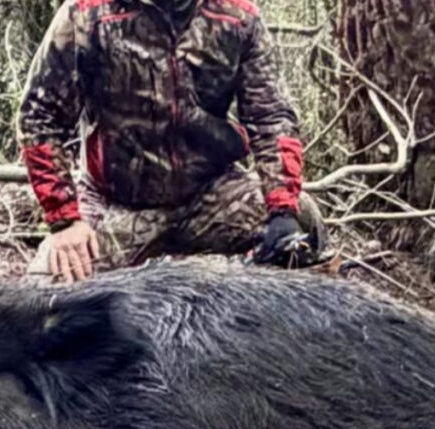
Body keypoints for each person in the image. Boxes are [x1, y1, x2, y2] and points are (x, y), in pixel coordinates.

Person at [16, 0, 327, 283]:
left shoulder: (236, 17)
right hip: (116, 205)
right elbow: (38, 116)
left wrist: (281, 209)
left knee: (302, 223)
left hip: (211, 196)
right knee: (46, 286)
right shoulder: (87, 14)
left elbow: (271, 118)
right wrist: (66, 220)